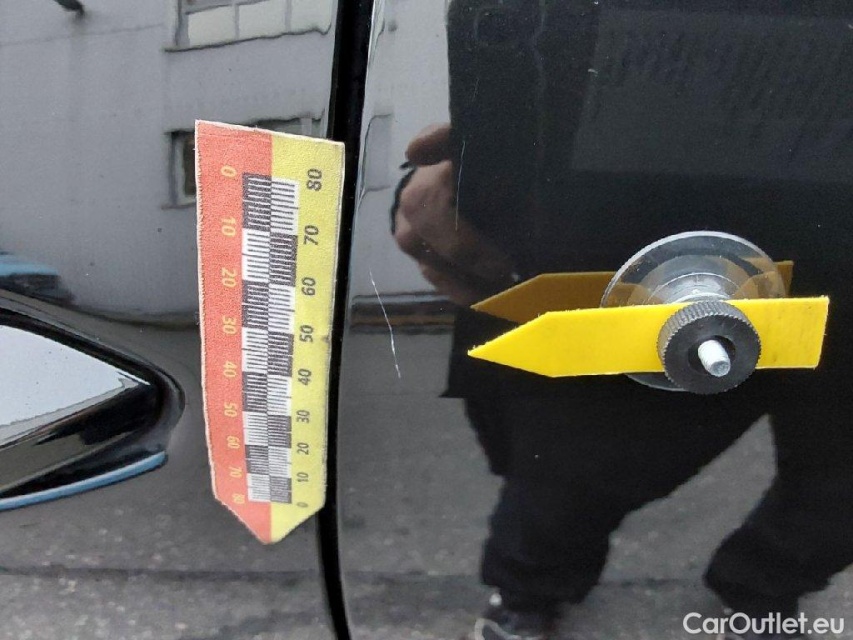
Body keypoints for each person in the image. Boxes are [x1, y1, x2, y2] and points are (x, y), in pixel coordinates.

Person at [393, 123, 853, 640]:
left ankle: (766, 587)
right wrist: (478, 156)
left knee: (840, 492)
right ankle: (528, 591)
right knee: (567, 474)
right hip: (654, 228)